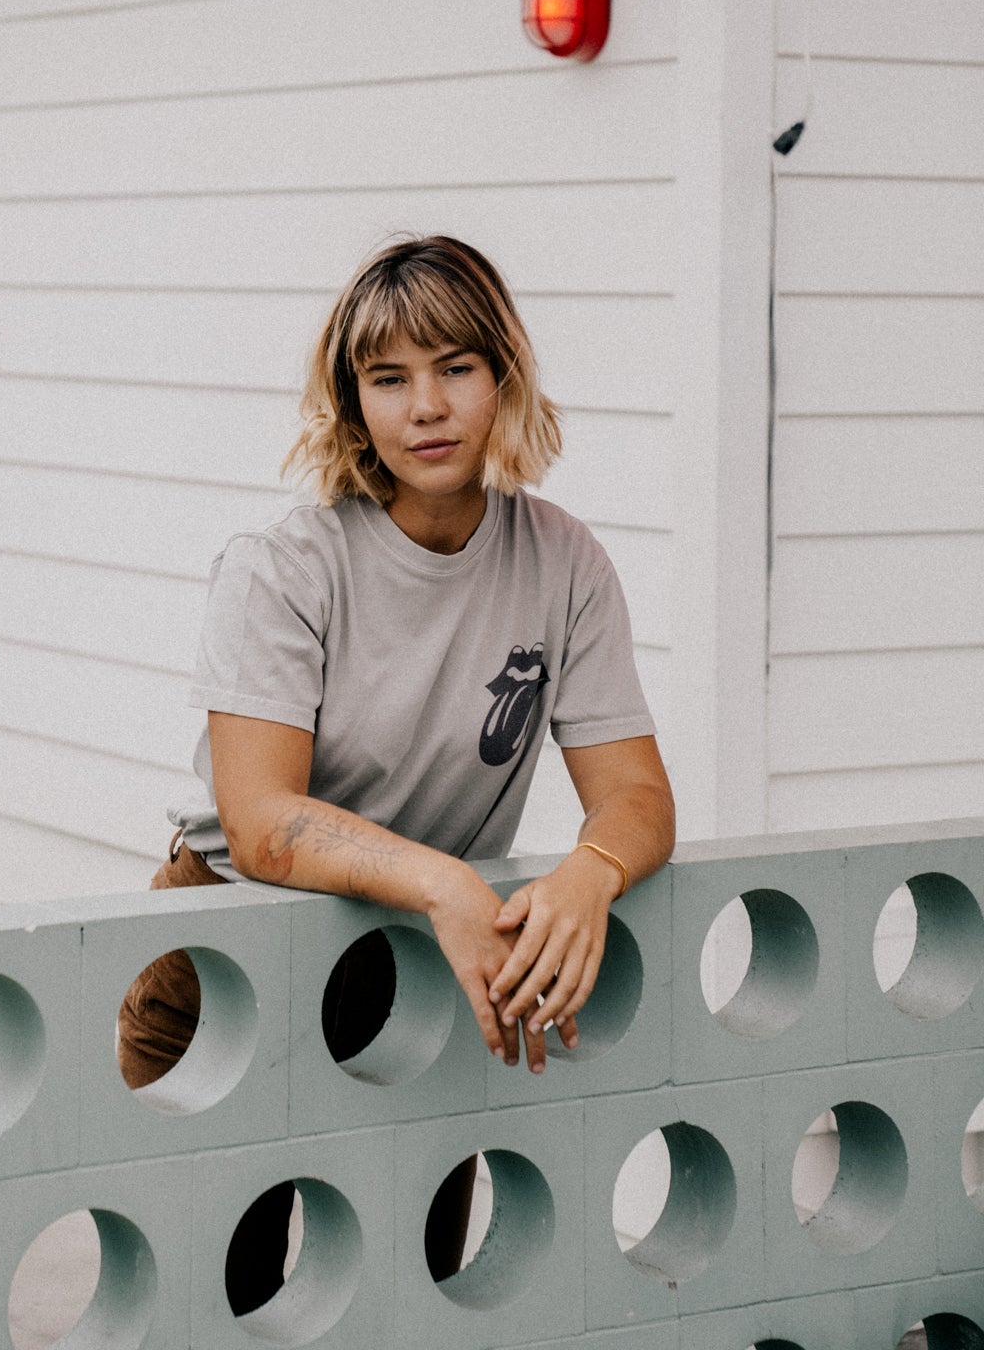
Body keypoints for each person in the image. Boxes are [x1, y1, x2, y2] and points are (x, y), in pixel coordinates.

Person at [118, 235, 675, 1313]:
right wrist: (447, 883)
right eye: (388, 378)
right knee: (216, 1296)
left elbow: (638, 797)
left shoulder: (563, 561)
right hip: (234, 947)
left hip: (417, 963)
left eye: (455, 367)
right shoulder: (283, 563)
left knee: (408, 1290)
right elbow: (263, 819)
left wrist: (587, 873)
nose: (425, 406)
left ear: (502, 376)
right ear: (352, 401)